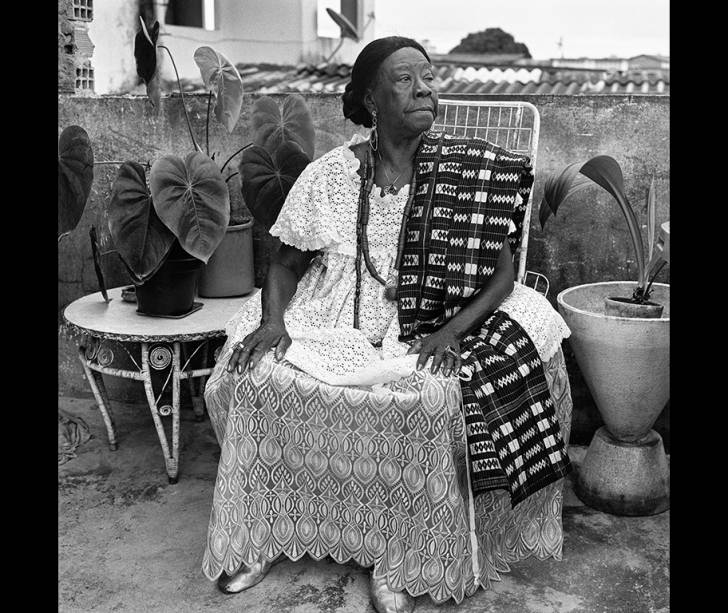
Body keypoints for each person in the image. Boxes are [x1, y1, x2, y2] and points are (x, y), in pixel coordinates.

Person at [201, 36, 573, 613]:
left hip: (438, 315)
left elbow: (501, 276)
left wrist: (449, 334)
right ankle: (265, 529)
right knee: (258, 378)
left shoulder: (464, 172)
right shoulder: (331, 174)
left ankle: (401, 557)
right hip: (333, 310)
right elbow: (285, 261)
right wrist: (275, 323)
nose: (425, 88)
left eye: (429, 77)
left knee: (422, 398)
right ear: (371, 99)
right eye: (405, 79)